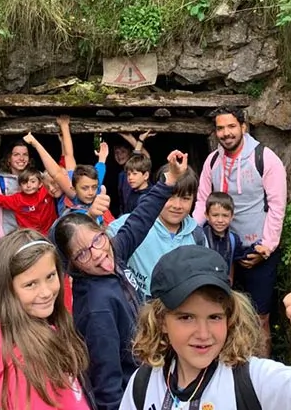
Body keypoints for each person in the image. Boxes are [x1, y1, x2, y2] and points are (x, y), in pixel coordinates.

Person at [120, 246, 291, 410]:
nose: (203, 334)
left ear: (230, 317)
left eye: (214, 317)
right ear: (161, 321)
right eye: (186, 318)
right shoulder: (143, 384)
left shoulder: (252, 380)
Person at [53, 151, 190, 410]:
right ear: (72, 265)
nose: (97, 254)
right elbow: (105, 380)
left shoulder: (112, 254)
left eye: (97, 240)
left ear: (103, 231)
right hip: (131, 394)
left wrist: (169, 179)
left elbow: (139, 221)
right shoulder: (97, 306)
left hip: (148, 376)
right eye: (82, 253)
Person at [194, 106, 287, 357]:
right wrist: (189, 236)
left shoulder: (265, 159)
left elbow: (277, 205)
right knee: (221, 310)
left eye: (231, 126)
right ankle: (226, 366)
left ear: (243, 127)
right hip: (221, 248)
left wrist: (267, 248)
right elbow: (202, 202)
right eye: (220, 128)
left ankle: (262, 376)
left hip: (255, 247)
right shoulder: (212, 161)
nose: (226, 133)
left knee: (260, 316)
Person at [0, 229, 94, 410]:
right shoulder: (27, 362)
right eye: (30, 284)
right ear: (7, 290)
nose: (46, 292)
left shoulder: (18, 329)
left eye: (50, 276)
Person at [106, 168, 204, 299]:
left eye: (185, 198)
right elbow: (98, 245)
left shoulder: (197, 235)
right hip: (140, 308)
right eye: (170, 197)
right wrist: (92, 217)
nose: (177, 205)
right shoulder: (134, 224)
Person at [24, 131, 113, 226]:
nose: (91, 192)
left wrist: (102, 157)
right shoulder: (74, 195)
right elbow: (56, 172)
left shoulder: (94, 182)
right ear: (73, 188)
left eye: (94, 187)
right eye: (84, 188)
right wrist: (36, 144)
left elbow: (70, 156)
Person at [202, 191, 268, 283]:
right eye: (215, 215)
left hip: (224, 285)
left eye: (225, 215)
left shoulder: (233, 239)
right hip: (204, 284)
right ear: (207, 216)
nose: (220, 220)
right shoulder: (200, 236)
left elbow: (241, 255)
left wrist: (256, 248)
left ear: (232, 217)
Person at [0, 140, 31, 243]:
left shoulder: (36, 180)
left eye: (25, 155)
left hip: (32, 238)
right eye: (16, 155)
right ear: (8, 159)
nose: (21, 158)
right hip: (9, 239)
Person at [114, 132, 153, 215]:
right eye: (116, 152)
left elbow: (145, 157)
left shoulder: (146, 196)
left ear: (146, 175)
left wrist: (135, 139)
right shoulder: (122, 174)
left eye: (123, 152)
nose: (119, 155)